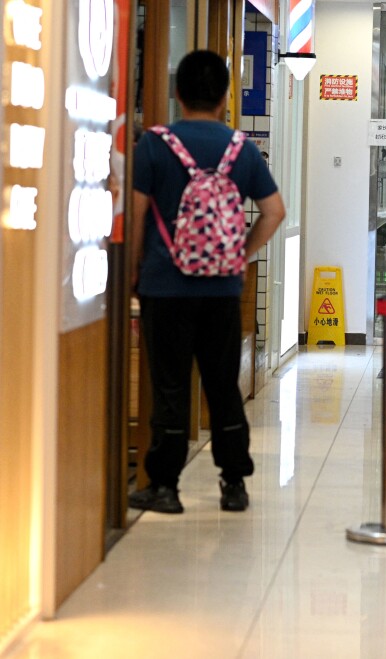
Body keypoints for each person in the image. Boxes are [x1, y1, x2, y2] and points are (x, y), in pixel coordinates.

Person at [128, 50, 286, 514]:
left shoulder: (154, 144)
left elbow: (136, 216)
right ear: (224, 97)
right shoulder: (241, 148)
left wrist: (136, 271)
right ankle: (233, 482)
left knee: (170, 386)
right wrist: (239, 252)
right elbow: (274, 212)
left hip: (165, 288)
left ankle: (165, 487)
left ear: (178, 94)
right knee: (222, 385)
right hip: (222, 288)